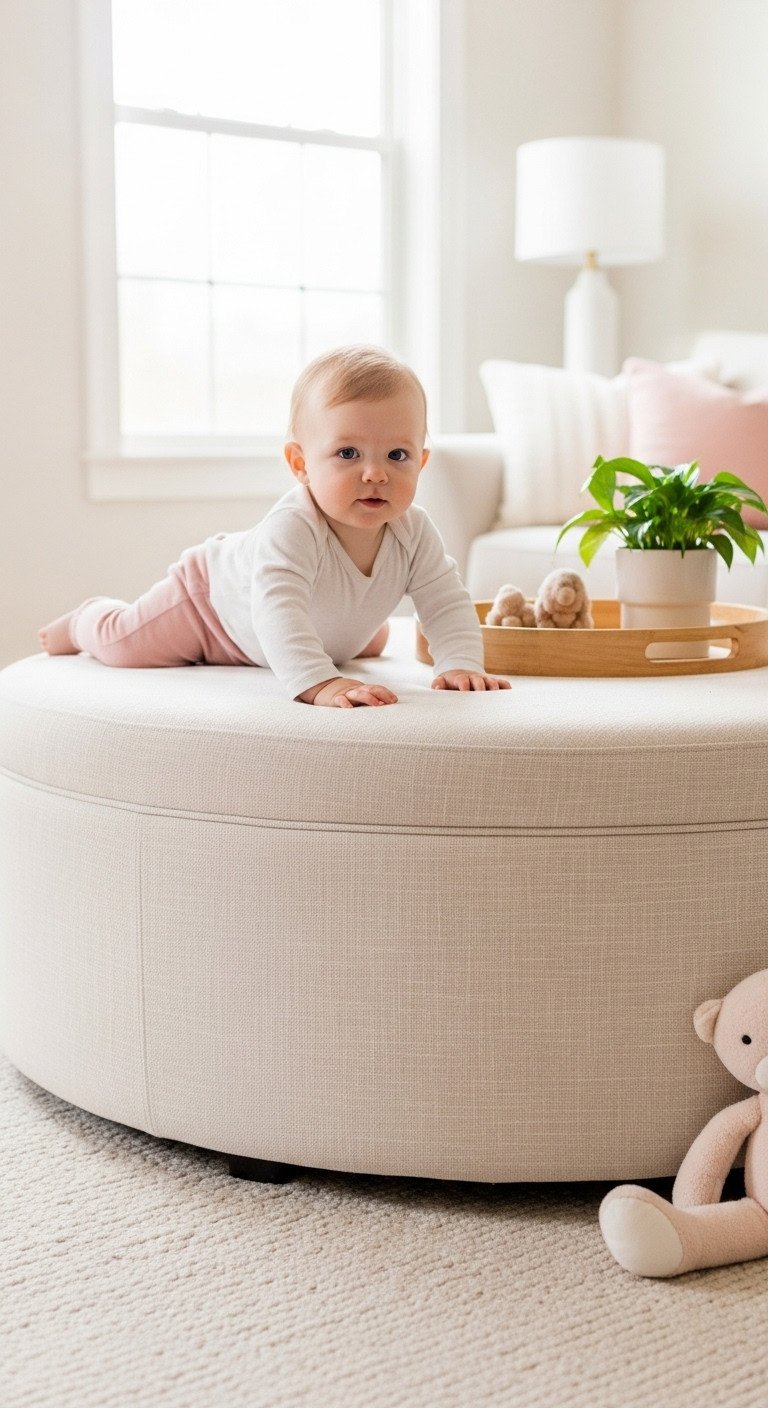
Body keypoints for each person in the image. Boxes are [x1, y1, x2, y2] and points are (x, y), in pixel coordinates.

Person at [40, 345, 511, 708]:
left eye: (397, 455)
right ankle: (87, 620)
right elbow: (278, 609)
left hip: (300, 622)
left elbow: (445, 601)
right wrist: (319, 681)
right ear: (300, 463)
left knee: (374, 636)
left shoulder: (415, 531)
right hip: (213, 607)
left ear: (422, 462)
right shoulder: (294, 527)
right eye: (348, 454)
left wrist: (459, 664)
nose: (375, 473)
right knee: (125, 644)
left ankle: (338, 637)